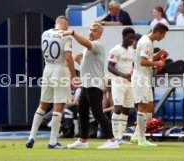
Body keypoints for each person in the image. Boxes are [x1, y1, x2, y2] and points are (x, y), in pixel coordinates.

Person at [61, 23, 119, 149]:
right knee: (82, 112)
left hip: (94, 85)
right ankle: (83, 141)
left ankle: (113, 140)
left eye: (94, 30)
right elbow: (91, 66)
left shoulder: (98, 44)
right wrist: (79, 62)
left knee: (98, 113)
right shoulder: (88, 48)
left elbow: (86, 43)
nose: (91, 32)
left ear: (100, 34)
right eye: (90, 30)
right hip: (86, 85)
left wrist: (72, 33)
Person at [25, 16, 76, 149]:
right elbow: (69, 58)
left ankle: (31, 137)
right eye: (68, 26)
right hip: (61, 69)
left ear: (56, 23)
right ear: (65, 24)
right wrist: (74, 76)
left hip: (47, 69)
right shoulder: (66, 36)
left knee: (42, 104)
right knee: (58, 106)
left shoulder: (45, 33)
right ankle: (53, 141)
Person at [132, 23, 169, 147]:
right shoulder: (147, 42)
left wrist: (157, 55)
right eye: (163, 35)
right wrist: (158, 63)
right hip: (141, 77)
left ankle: (136, 136)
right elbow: (142, 62)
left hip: (144, 78)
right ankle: (142, 139)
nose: (163, 37)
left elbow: (144, 58)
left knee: (149, 107)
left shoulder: (146, 40)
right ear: (158, 33)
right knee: (143, 107)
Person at [108, 27, 135, 144]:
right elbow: (110, 67)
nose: (131, 40)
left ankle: (120, 136)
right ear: (123, 37)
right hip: (118, 82)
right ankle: (114, 136)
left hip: (129, 83)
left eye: (132, 38)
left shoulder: (131, 51)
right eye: (129, 38)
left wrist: (132, 75)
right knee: (118, 108)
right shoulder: (115, 50)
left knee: (127, 109)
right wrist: (123, 75)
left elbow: (133, 66)